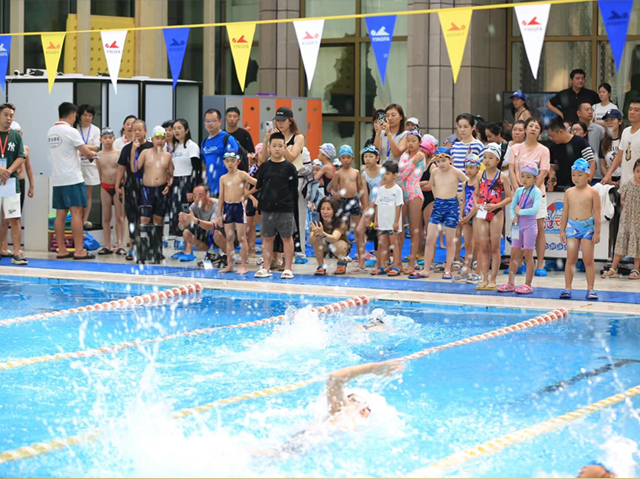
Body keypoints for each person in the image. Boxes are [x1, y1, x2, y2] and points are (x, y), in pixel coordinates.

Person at [269, 359, 404, 457]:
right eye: (355, 400)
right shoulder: (342, 412)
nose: (363, 406)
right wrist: (371, 368)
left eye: (368, 407)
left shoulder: (358, 431)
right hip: (287, 453)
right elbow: (335, 378)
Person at [48, 102, 98, 260]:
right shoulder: (70, 131)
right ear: (71, 116)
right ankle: (79, 250)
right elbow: (86, 152)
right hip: (72, 178)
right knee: (77, 213)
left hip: (57, 178)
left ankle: (61, 249)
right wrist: (92, 154)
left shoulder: (51, 131)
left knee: (60, 214)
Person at [246, 131, 298, 279]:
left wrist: (289, 206)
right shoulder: (264, 167)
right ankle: (266, 267)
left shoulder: (289, 167)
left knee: (287, 237)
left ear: (285, 147)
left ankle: (288, 268)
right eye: (274, 146)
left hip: (285, 208)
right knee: (267, 238)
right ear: (269, 147)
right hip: (267, 208)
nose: (276, 149)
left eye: (280, 146)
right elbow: (259, 186)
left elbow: (294, 189)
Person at [410, 148, 468, 279]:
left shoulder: (456, 172)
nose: (441, 164)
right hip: (438, 206)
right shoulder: (435, 172)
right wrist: (436, 196)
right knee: (430, 238)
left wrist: (459, 196)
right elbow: (432, 185)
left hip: (451, 206)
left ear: (450, 160)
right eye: (439, 161)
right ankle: (426, 269)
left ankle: (448, 268)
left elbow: (470, 184)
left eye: (444, 160)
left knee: (449, 240)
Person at [509, 117, 551, 276]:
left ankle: (540, 264)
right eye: (531, 126)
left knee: (539, 228)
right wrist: (518, 189)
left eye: (537, 127)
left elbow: (544, 172)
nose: (533, 128)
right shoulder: (515, 148)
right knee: (517, 228)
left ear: (540, 132)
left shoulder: (544, 150)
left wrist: (530, 190)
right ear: (525, 129)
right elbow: (512, 170)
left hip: (536, 194)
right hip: (518, 193)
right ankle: (517, 262)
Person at [559, 158, 601, 300]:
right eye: (574, 175)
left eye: (579, 174)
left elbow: (597, 213)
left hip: (587, 228)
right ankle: (567, 288)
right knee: (571, 259)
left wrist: (598, 232)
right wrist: (562, 230)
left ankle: (590, 288)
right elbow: (565, 212)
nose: (576, 178)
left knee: (588, 260)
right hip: (572, 227)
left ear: (588, 175)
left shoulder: (593, 192)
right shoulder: (569, 192)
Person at [474, 142, 513, 291]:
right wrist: (477, 205)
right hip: (482, 212)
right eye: (485, 157)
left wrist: (497, 206)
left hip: (496, 212)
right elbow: (476, 195)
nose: (487, 160)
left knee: (495, 247)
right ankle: (484, 278)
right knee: (483, 247)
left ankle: (493, 279)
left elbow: (509, 197)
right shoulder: (480, 175)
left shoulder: (502, 177)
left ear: (498, 160)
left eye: (491, 157)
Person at [498, 163, 542, 294]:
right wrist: (513, 216)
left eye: (528, 177)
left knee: (528, 255)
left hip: (529, 226)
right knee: (514, 255)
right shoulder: (519, 191)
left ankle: (528, 284)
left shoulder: (536, 192)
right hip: (518, 226)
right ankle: (510, 283)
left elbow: (535, 209)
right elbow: (512, 208)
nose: (524, 179)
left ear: (535, 178)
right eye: (522, 176)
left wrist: (520, 212)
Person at [398, 133, 435, 274]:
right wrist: (412, 162)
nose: (410, 144)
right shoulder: (405, 156)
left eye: (414, 141)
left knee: (415, 229)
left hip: (414, 192)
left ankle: (412, 262)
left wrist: (411, 163)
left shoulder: (421, 157)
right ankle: (397, 261)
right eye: (408, 141)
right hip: (403, 192)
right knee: (399, 229)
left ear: (419, 143)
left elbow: (408, 174)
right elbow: (401, 174)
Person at [116, 119, 153, 259]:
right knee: (132, 216)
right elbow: (121, 167)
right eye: (134, 129)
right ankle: (132, 245)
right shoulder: (127, 148)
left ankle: (146, 245)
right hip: (131, 186)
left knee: (146, 216)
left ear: (145, 131)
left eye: (139, 129)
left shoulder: (151, 147)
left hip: (148, 186)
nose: (136, 132)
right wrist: (117, 185)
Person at [217, 151, 256, 274]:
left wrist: (247, 194)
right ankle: (230, 265)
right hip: (228, 208)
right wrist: (219, 214)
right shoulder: (223, 178)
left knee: (241, 237)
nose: (230, 164)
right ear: (224, 162)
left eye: (232, 161)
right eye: (227, 161)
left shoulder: (242, 175)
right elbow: (221, 197)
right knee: (229, 238)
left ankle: (243, 266)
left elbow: (258, 183)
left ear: (238, 162)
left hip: (239, 207)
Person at [601, 159, 640, 280]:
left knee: (637, 243)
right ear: (634, 171)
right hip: (627, 218)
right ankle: (613, 268)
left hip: (638, 221)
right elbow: (622, 200)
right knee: (620, 242)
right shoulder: (627, 185)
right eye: (638, 171)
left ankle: (635, 269)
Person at [0, 121, 33, 259]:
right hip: (6, 178)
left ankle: (16, 251)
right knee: (4, 220)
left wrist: (32, 185)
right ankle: (3, 247)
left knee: (13, 218)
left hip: (14, 182)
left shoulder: (23, 147)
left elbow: (27, 166)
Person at [132, 126, 174, 228]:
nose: (160, 141)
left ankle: (158, 242)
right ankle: (143, 242)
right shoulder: (145, 153)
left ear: (165, 140)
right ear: (152, 139)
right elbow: (134, 169)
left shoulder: (168, 155)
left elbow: (172, 175)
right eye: (157, 138)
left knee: (159, 220)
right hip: (147, 189)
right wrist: (133, 151)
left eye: (162, 138)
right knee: (144, 219)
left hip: (161, 190)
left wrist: (169, 185)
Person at [168, 119, 201, 248]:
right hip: (176, 182)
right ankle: (179, 240)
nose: (176, 131)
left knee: (186, 212)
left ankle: (189, 245)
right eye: (174, 128)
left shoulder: (192, 146)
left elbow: (196, 169)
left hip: (187, 181)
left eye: (179, 128)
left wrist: (192, 189)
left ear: (186, 130)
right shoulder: (174, 147)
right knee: (176, 212)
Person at [332, 145, 365, 263]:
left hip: (354, 200)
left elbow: (359, 187)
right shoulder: (338, 173)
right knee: (343, 227)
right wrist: (336, 196)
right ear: (340, 159)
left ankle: (360, 253)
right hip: (344, 201)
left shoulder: (356, 172)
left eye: (348, 157)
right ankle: (344, 250)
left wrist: (361, 201)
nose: (346, 160)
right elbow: (334, 190)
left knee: (358, 228)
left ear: (352, 159)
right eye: (343, 157)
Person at [95, 128, 125, 255]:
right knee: (106, 217)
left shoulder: (119, 153)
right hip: (105, 186)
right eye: (105, 138)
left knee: (119, 217)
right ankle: (107, 245)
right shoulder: (99, 155)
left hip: (118, 187)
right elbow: (100, 172)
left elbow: (122, 171)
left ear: (114, 139)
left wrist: (119, 185)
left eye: (110, 138)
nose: (108, 140)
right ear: (101, 140)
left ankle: (120, 244)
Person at [371, 161, 404, 276]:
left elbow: (399, 206)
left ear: (395, 175)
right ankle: (383, 264)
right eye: (384, 173)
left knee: (394, 244)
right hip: (382, 222)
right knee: (383, 244)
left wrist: (396, 222)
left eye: (388, 174)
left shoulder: (397, 190)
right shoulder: (381, 189)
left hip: (392, 222)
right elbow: (378, 205)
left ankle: (396, 265)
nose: (385, 176)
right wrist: (376, 220)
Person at [177, 185, 224, 263]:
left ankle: (227, 254)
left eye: (200, 196)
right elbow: (181, 228)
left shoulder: (217, 204)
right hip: (208, 236)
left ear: (208, 195)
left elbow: (213, 226)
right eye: (194, 196)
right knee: (186, 233)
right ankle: (212, 253)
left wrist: (195, 220)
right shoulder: (194, 206)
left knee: (216, 233)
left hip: (223, 235)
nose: (197, 199)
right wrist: (183, 222)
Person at [354, 145, 382, 273]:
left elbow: (383, 191)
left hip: (383, 204)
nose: (368, 159)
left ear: (377, 158)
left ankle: (380, 261)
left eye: (371, 156)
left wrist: (371, 208)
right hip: (371, 204)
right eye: (365, 157)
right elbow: (364, 193)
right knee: (359, 230)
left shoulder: (383, 170)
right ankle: (361, 261)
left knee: (380, 233)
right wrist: (366, 210)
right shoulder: (364, 173)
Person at [547, 117, 596, 188]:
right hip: (560, 185)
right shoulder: (553, 146)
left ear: (560, 132)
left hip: (580, 185)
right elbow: (552, 167)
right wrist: (552, 179)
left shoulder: (580, 142)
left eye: (552, 136)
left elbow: (591, 163)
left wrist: (588, 181)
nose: (552, 139)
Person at [201, 109, 240, 196]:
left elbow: (234, 163)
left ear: (220, 122)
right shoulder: (204, 142)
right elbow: (204, 166)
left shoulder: (227, 139)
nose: (210, 124)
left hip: (227, 188)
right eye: (207, 121)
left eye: (213, 121)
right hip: (210, 190)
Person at [602, 99, 640, 187]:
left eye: (636, 110)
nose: (632, 112)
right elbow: (619, 156)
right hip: (624, 182)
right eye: (630, 109)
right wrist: (609, 174)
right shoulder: (626, 131)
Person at [310, 197, 351, 275]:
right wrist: (315, 233)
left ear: (334, 210)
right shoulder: (316, 221)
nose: (325, 212)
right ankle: (320, 265)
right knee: (316, 239)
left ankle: (341, 261)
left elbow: (334, 238)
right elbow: (311, 242)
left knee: (339, 245)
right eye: (322, 209)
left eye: (328, 209)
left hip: (338, 244)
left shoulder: (342, 220)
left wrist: (322, 233)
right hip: (325, 245)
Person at [75, 105, 101, 229]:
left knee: (88, 194)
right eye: (85, 115)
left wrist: (81, 147)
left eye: (90, 115)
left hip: (90, 164)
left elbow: (96, 147)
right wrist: (87, 146)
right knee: (77, 193)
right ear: (79, 116)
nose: (87, 118)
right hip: (76, 164)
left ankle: (85, 220)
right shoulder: (74, 129)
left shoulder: (95, 130)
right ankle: (76, 219)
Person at [456, 154, 482, 282]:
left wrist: (468, 216)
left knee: (478, 243)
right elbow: (464, 200)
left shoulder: (479, 182)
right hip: (466, 214)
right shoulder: (465, 182)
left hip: (476, 215)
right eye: (466, 167)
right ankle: (466, 270)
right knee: (467, 244)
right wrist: (461, 215)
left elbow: (478, 203)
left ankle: (478, 272)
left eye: (471, 167)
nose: (468, 170)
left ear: (478, 169)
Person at [576, 102, 606, 180]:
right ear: (578, 113)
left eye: (591, 110)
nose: (590, 112)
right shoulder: (572, 130)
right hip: (576, 173)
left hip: (596, 173)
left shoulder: (599, 130)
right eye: (587, 110)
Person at [600, 109, 624, 185]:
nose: (609, 122)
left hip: (625, 177)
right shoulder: (603, 142)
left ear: (620, 121)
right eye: (607, 120)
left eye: (612, 119)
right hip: (609, 179)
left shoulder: (625, 138)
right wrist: (609, 178)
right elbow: (602, 164)